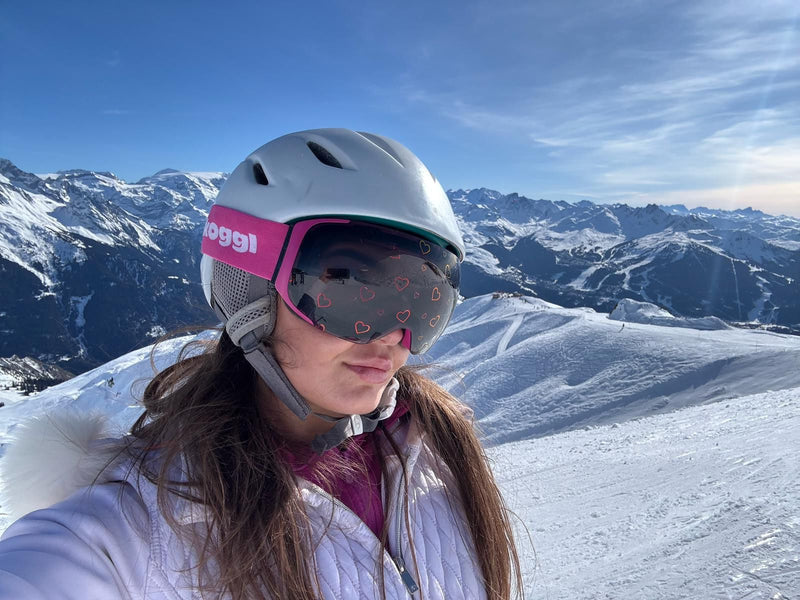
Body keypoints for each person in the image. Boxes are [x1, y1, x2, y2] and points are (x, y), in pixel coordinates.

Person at [0, 129, 522, 599]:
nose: (393, 337)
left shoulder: (441, 451)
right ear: (248, 292)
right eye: (350, 287)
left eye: (424, 305)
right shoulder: (139, 525)